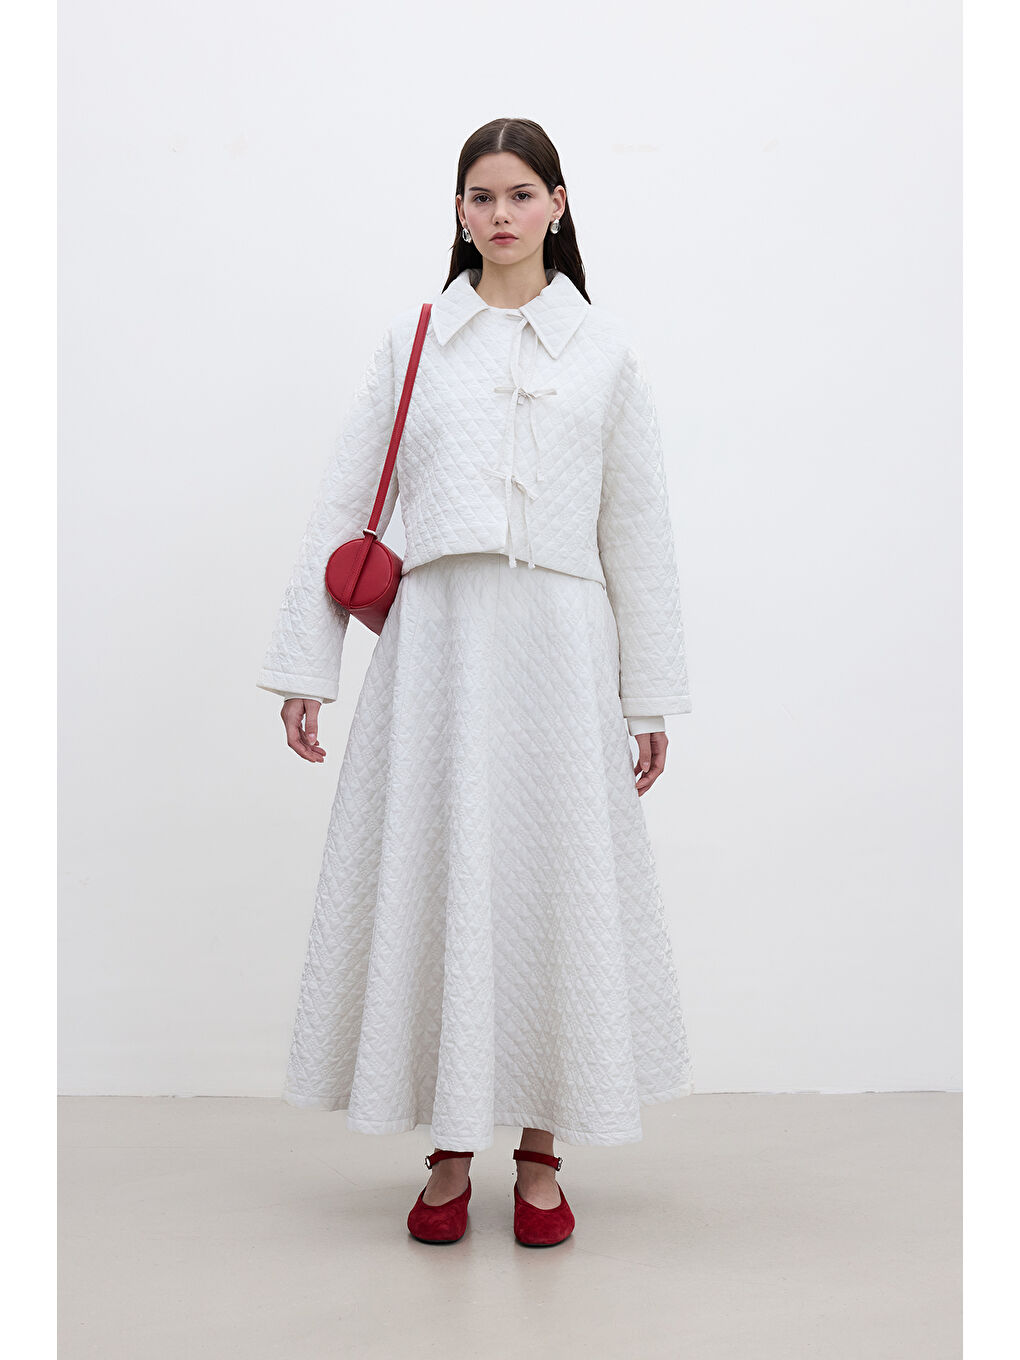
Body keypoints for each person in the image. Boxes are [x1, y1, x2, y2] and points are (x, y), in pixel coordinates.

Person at [256, 118, 694, 1248]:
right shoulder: (417, 342)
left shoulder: (605, 353)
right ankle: (450, 1148)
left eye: (520, 194)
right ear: (458, 211)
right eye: (481, 197)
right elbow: (344, 500)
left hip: (560, 650)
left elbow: (639, 532)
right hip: (439, 653)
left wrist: (646, 694)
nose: (501, 215)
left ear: (558, 204)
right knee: (443, 877)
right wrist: (309, 665)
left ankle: (541, 1152)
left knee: (554, 883)